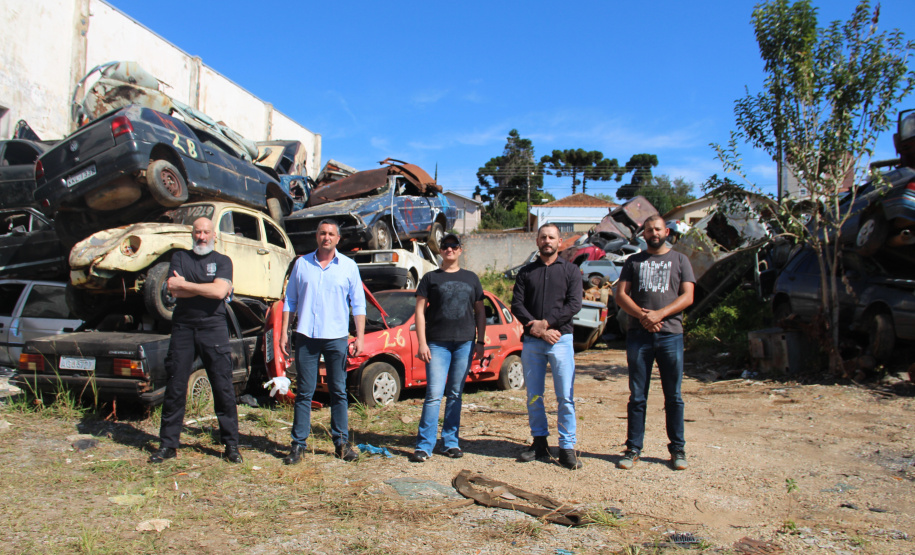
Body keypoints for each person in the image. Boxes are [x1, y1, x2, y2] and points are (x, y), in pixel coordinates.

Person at [149, 217, 241, 464]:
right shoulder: (180, 257)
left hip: (213, 328)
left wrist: (187, 285)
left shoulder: (223, 261)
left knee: (222, 386)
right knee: (176, 386)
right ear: (193, 234)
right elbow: (173, 288)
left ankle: (231, 445)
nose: (202, 236)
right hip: (183, 328)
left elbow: (219, 292)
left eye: (206, 232)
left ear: (214, 236)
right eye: (198, 232)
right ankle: (168, 445)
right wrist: (204, 287)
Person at [280, 219, 366, 464]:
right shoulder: (302, 264)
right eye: (322, 233)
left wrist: (360, 337)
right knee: (304, 392)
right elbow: (290, 300)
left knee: (338, 391)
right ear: (316, 236)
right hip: (306, 336)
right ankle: (298, 445)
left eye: (331, 234)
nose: (326, 237)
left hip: (336, 337)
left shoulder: (348, 266)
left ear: (338, 239)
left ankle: (341, 444)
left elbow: (358, 304)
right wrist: (285, 332)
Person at [615, 214, 695, 471]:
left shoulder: (680, 260)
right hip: (639, 336)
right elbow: (620, 295)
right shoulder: (633, 261)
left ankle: (677, 449)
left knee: (674, 396)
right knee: (638, 396)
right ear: (644, 234)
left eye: (658, 229)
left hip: (671, 334)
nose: (654, 233)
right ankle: (633, 448)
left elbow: (688, 296)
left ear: (666, 232)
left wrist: (660, 314)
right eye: (649, 230)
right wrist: (643, 316)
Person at [511, 223, 583, 470]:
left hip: (561, 340)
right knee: (534, 395)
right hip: (533, 341)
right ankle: (539, 442)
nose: (547, 241)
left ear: (560, 242)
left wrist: (547, 324)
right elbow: (517, 305)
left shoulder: (571, 271)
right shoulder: (526, 272)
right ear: (537, 241)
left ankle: (567, 447)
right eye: (543, 237)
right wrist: (538, 329)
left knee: (565, 396)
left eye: (552, 237)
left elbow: (574, 304)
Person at [409, 233, 486, 462]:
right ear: (440, 250)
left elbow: (480, 312)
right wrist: (422, 343)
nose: (449, 249)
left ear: (460, 250)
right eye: (445, 246)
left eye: (454, 246)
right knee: (434, 394)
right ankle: (424, 445)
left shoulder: (472, 278)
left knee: (455, 394)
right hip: (437, 344)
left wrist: (480, 341)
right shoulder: (430, 278)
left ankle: (450, 442)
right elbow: (419, 312)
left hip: (464, 343)